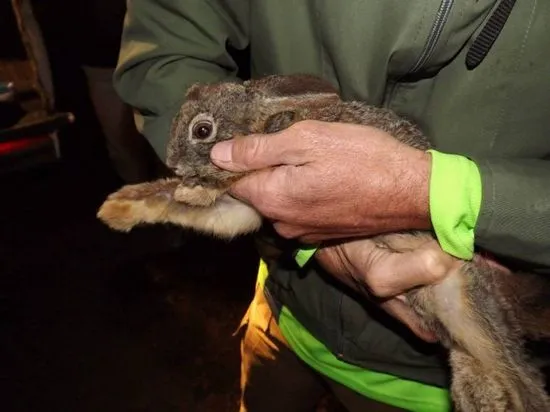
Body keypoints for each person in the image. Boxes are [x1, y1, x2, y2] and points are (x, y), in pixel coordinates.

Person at [113, 1, 550, 411]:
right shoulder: (264, 124)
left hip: (418, 380)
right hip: (288, 306)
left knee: (475, 332)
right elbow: (166, 36)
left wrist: (455, 196)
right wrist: (316, 234)